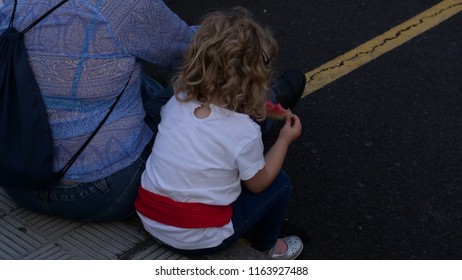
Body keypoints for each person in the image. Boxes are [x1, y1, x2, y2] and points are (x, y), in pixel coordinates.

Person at [0, 0, 196, 222]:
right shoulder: (128, 5)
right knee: (181, 90)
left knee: (141, 82)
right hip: (104, 191)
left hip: (17, 177)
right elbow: (193, 54)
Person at [135, 7, 305, 259]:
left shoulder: (178, 101)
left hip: (149, 217)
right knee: (280, 184)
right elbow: (258, 184)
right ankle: (267, 248)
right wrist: (284, 139)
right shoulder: (244, 132)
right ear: (255, 83)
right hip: (198, 237)